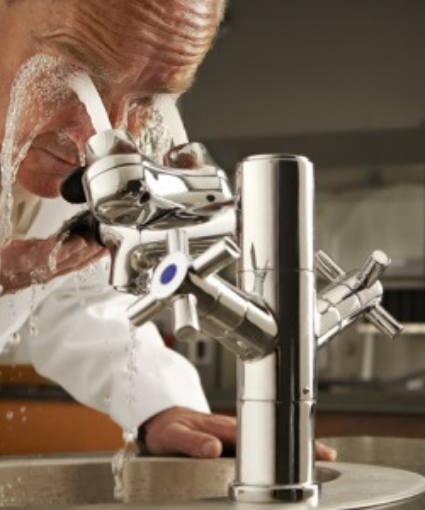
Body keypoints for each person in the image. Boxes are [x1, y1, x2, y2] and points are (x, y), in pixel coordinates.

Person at [0, 0, 336, 462]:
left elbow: (80, 303)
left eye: (147, 100)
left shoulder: (98, 150)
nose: (102, 138)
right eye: (68, 76)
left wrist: (160, 404)